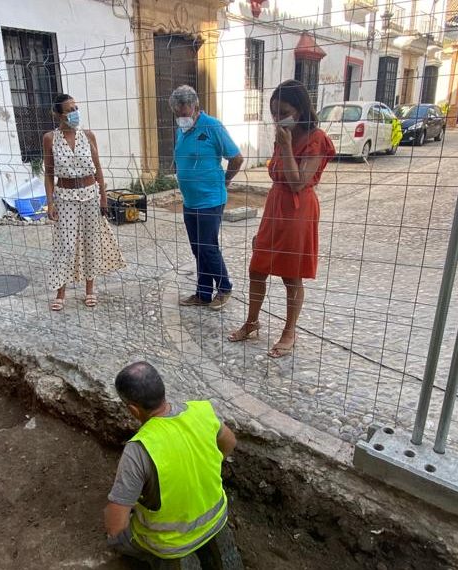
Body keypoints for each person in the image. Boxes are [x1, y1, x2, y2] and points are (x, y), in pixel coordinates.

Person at [228, 80, 335, 358]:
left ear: (300, 110)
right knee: (257, 267)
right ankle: (252, 322)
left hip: (299, 211)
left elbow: (298, 182)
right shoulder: (282, 133)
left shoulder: (316, 139)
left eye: (283, 111)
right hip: (275, 206)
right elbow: (276, 174)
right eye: (274, 112)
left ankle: (289, 331)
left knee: (291, 275)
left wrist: (286, 147)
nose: (278, 118)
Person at [105, 361, 243, 569]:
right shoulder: (202, 411)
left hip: (169, 543)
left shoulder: (139, 449)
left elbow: (116, 525)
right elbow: (229, 443)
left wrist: (113, 521)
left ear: (133, 409)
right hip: (216, 519)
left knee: (116, 537)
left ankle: (163, 559)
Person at [43, 93, 126, 311]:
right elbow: (49, 173)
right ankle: (61, 291)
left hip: (90, 193)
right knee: (66, 246)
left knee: (91, 243)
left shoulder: (88, 135)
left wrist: (103, 196)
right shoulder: (50, 138)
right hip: (65, 196)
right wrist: (50, 203)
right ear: (58, 114)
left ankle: (90, 289)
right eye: (69, 110)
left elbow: (98, 168)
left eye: (76, 108)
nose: (74, 113)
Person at [170, 85, 245, 310]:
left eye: (185, 112)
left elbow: (237, 158)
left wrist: (225, 181)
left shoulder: (212, 126)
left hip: (211, 199)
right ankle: (203, 293)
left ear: (195, 106)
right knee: (197, 248)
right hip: (190, 201)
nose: (182, 117)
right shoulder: (181, 129)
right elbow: (182, 153)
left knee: (208, 246)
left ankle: (225, 287)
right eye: (178, 114)